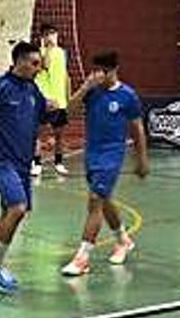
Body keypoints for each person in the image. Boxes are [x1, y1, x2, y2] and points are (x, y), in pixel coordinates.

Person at [60, 51, 149, 276]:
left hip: (112, 153)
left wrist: (142, 159)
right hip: (92, 153)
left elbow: (137, 128)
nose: (98, 75)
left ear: (113, 70)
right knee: (104, 199)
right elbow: (68, 113)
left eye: (103, 71)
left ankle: (82, 258)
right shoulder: (92, 92)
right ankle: (123, 240)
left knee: (95, 199)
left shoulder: (127, 96)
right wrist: (84, 88)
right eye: (95, 70)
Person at [0, 41, 49, 294]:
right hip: (2, 161)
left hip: (23, 164)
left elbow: (44, 116)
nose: (39, 68)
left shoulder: (32, 89)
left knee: (12, 211)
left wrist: (58, 106)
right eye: (35, 64)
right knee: (17, 208)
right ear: (21, 62)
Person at [32, 23, 72, 176]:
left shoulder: (62, 53)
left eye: (54, 33)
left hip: (59, 101)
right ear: (42, 36)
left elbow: (65, 76)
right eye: (48, 33)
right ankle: (36, 163)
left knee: (59, 134)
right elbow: (46, 66)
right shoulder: (38, 53)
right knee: (38, 133)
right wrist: (47, 48)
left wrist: (68, 97)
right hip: (44, 100)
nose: (52, 36)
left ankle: (59, 162)